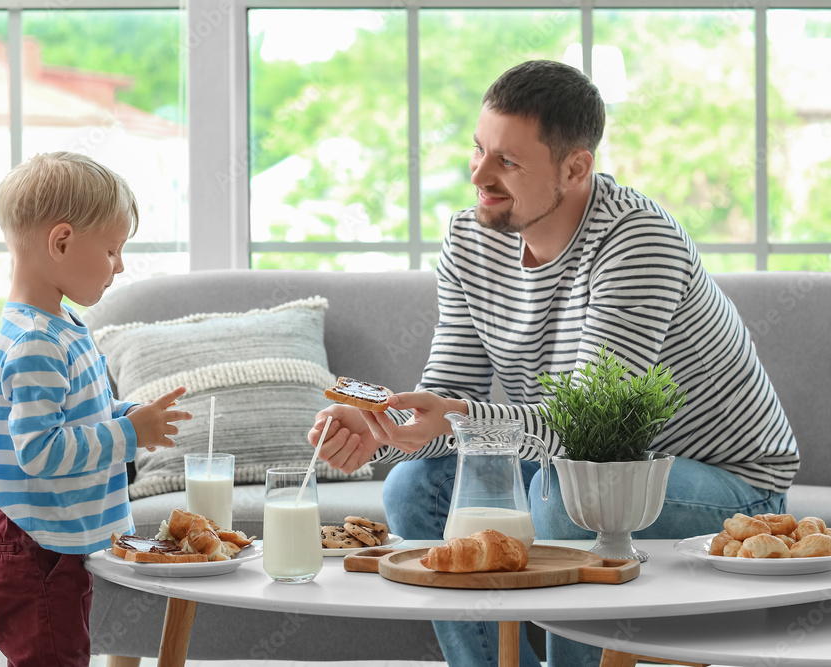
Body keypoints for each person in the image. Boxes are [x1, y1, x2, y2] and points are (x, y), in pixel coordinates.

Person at [309, 60, 799, 667]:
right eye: (478, 150)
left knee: (564, 494)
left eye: (508, 162)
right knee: (414, 489)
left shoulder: (637, 241)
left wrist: (457, 415)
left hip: (729, 483)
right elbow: (450, 392)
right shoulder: (470, 239)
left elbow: (593, 433)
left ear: (575, 167)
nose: (480, 176)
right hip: (565, 460)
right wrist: (390, 429)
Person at [0, 151, 192, 666]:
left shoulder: (59, 327)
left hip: (49, 538)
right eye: (113, 250)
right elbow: (41, 451)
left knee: (66, 650)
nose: (121, 265)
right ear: (62, 242)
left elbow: (76, 412)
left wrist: (128, 416)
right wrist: (128, 435)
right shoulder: (36, 344)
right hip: (34, 544)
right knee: (53, 657)